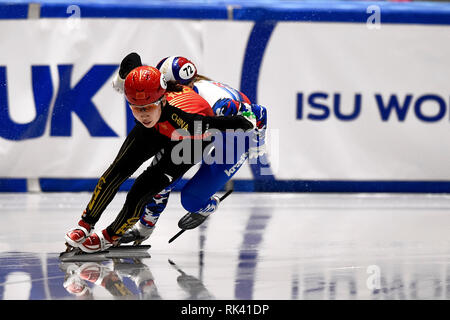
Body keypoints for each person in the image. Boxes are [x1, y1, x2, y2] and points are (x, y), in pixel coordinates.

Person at [64, 60, 258, 253]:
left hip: (193, 138)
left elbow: (218, 124)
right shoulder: (138, 90)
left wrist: (247, 123)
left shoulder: (186, 120)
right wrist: (122, 76)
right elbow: (133, 58)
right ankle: (85, 224)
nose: (143, 114)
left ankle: (110, 236)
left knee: (144, 188)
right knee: (117, 171)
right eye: (136, 108)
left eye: (147, 108)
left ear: (162, 101)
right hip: (160, 125)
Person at [117, 54, 268, 245]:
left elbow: (259, 112)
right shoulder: (175, 99)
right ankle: (145, 228)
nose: (164, 95)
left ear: (187, 86)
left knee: (191, 201)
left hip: (232, 136)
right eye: (161, 88)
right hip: (198, 126)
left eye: (170, 89)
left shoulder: (218, 104)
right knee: (160, 179)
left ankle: (206, 205)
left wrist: (257, 141)